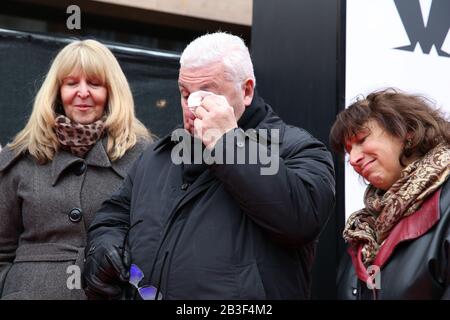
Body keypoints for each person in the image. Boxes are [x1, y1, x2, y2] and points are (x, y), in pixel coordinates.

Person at [83, 32, 335, 300]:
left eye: (206, 94)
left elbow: (299, 218)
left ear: (246, 91)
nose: (191, 108)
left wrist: (228, 144)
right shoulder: (158, 155)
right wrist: (104, 248)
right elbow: (114, 216)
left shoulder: (295, 148)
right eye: (184, 94)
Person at [0, 39, 151, 299]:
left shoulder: (144, 157)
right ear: (57, 91)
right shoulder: (21, 157)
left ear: (111, 91)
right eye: (71, 83)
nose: (83, 92)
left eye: (94, 83)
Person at [331, 88, 450, 299]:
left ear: (408, 131)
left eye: (361, 140)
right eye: (348, 151)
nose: (353, 158)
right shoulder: (363, 230)